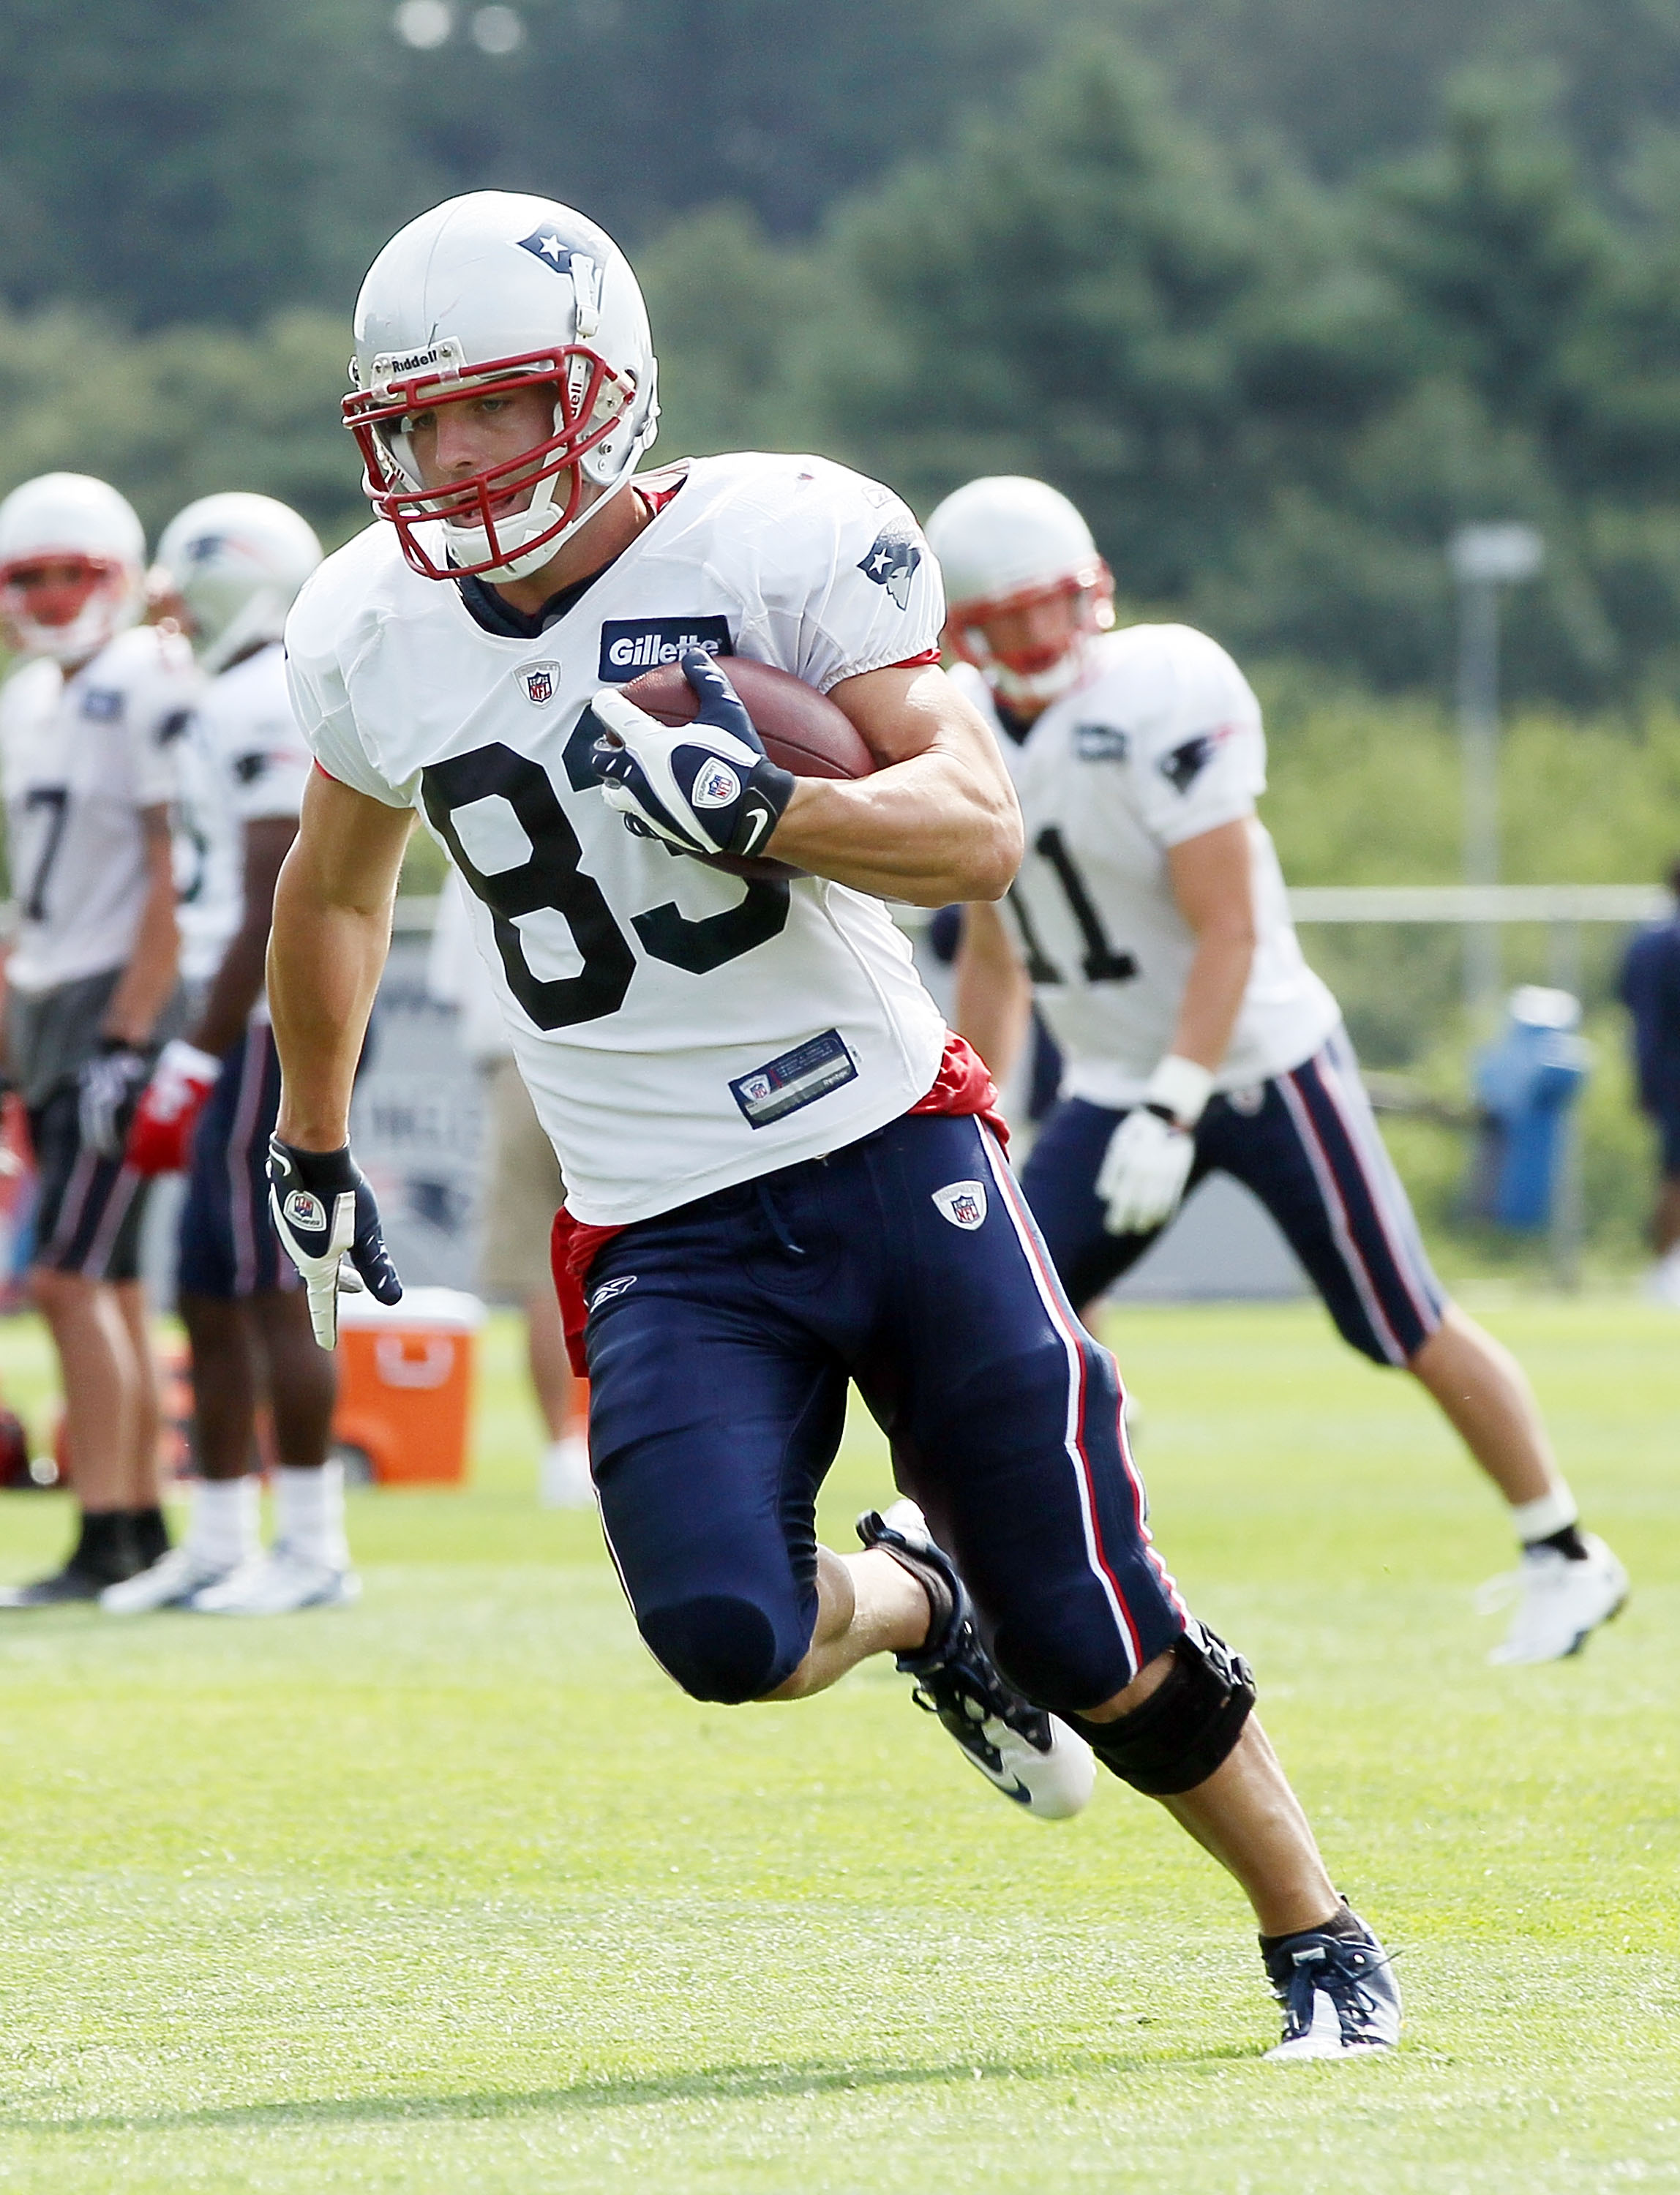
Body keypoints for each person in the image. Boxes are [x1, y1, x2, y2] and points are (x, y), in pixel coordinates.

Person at [264, 192, 1401, 2059]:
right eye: (414, 422)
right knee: (723, 1624)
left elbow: (977, 825)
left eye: (492, 409)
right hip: (656, 1218)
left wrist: (769, 802)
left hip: (889, 1149)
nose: (451, 459)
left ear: (606, 390)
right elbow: (335, 888)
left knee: (1089, 1623)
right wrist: (311, 1143)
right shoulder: (369, 627)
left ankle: (1315, 1927)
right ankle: (912, 1596)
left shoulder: (787, 535)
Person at [931, 475, 1627, 1668]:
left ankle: (1563, 1550)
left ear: (1092, 591)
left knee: (1396, 1317)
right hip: (1110, 1076)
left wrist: (1178, 1100)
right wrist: (977, 1113)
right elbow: (992, 951)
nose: (1046, 640)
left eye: (1058, 607)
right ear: (964, 633)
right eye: (1013, 620)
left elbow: (1230, 927)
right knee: (1001, 1314)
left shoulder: (1168, 687)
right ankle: (998, 1565)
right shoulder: (958, 723)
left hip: (1256, 1062)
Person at [101, 492, 352, 1615]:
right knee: (208, 1284)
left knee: (271, 1281)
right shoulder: (230, 691)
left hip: (264, 1021)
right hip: (234, 1016)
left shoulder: (268, 693)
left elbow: (273, 894)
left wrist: (197, 1057)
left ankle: (311, 1545)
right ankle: (217, 1535)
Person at [0, 473, 197, 1603]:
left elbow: (172, 864)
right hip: (52, 995)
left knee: (70, 1279)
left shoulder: (144, 680)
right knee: (108, 1281)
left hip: (116, 1005)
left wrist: (132, 1026)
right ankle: (134, 1530)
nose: (44, 595)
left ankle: (109, 1529)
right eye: (25, 577)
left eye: (64, 572)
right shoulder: (35, 697)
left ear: (114, 576)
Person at [427, 874, 590, 1506]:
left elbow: (449, 980)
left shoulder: (463, 804)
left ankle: (562, 1456)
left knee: (541, 1272)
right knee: (655, 1254)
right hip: (621, 1053)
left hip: (520, 1055)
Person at [1619, 861, 1680, 1309]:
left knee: (1673, 1174)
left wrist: (1644, 1082)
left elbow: (1638, 1021)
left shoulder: (1649, 944)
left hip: (1666, 1075)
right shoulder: (1660, 944)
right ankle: (1666, 1273)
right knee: (1674, 1176)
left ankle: (1665, 1272)